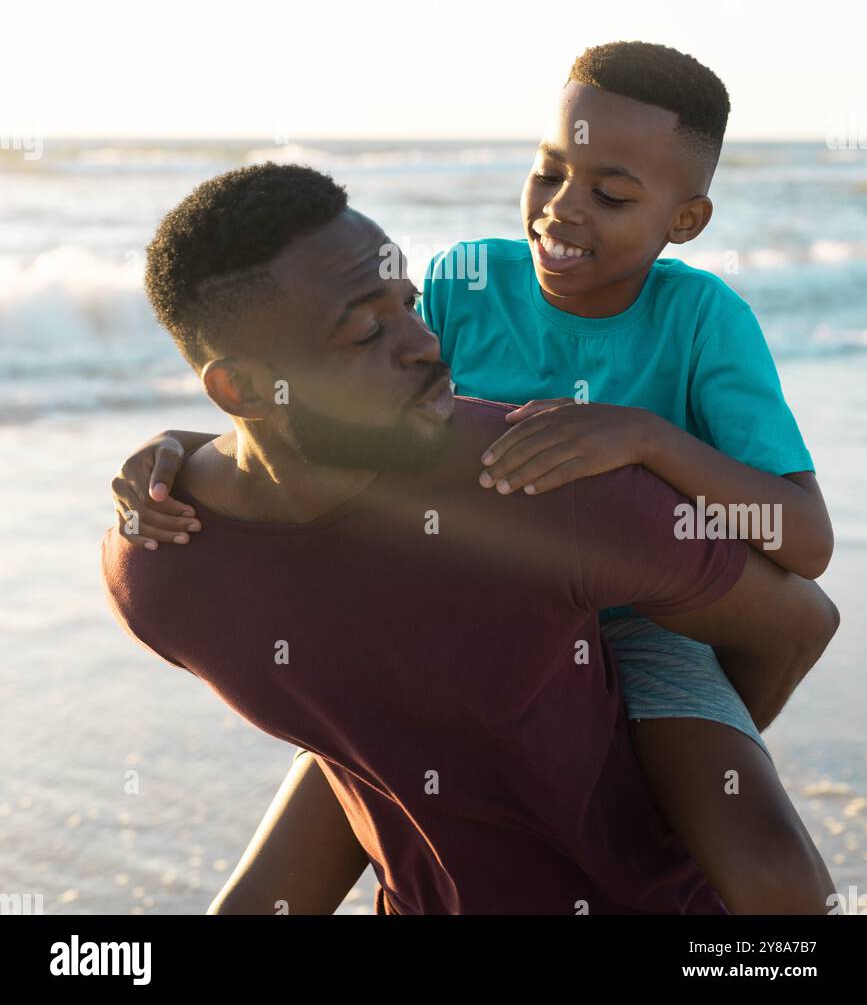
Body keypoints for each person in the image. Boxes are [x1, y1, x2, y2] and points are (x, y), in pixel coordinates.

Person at [103, 162, 838, 915]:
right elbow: (342, 739)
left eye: (410, 306)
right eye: (366, 330)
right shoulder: (163, 567)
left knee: (778, 881)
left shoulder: (553, 492)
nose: (425, 343)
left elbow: (799, 614)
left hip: (661, 831)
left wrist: (677, 760)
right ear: (241, 391)